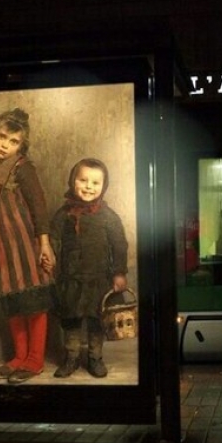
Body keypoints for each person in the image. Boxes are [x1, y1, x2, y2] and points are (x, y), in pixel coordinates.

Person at [0, 108, 56, 384]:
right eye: (1, 137)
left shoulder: (22, 167)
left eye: (13, 141)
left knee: (33, 301)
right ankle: (19, 356)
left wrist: (45, 245)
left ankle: (35, 359)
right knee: (10, 302)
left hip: (26, 245)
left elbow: (39, 207)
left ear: (21, 145)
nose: (5, 144)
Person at [48, 158, 129, 379]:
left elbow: (119, 245)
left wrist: (119, 272)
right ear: (72, 180)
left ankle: (95, 358)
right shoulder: (63, 214)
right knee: (71, 320)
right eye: (83, 180)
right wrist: (48, 258)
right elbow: (52, 239)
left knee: (96, 320)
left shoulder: (108, 217)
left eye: (95, 183)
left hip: (99, 278)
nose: (88, 186)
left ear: (104, 186)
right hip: (70, 277)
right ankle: (72, 357)